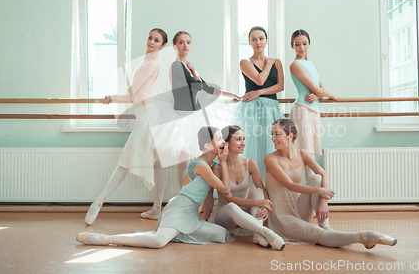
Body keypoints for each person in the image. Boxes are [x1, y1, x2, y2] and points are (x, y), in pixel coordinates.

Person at [76, 127, 281, 249]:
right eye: (219, 139)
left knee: (220, 235)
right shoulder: (200, 165)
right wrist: (225, 162)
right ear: (208, 146)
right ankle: (106, 239)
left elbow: (209, 197)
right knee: (158, 242)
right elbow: (225, 190)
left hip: (191, 213)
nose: (223, 143)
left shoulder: (212, 166)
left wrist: (204, 217)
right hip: (179, 208)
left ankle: (178, 232)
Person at [142, 31, 240, 219]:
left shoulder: (186, 66)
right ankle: (159, 206)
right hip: (179, 118)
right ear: (174, 46)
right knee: (162, 163)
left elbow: (205, 88)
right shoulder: (176, 65)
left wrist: (230, 94)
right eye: (181, 42)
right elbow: (195, 87)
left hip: (190, 116)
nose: (185, 45)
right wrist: (195, 74)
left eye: (188, 42)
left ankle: (185, 205)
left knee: (183, 164)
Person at [264, 119, 398, 248]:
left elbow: (324, 175)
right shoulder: (270, 159)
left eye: (277, 134)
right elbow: (290, 185)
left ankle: (326, 226)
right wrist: (319, 191)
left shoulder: (303, 154)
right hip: (281, 216)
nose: (273, 138)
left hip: (298, 209)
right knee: (314, 230)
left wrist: (324, 201)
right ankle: (365, 237)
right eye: (272, 134)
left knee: (317, 179)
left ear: (290, 136)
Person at [84, 28, 168, 225]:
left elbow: (132, 92)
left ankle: (100, 200)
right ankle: (156, 208)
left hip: (149, 115)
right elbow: (135, 94)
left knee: (129, 160)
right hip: (146, 113)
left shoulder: (151, 64)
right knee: (156, 162)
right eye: (150, 37)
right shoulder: (146, 62)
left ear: (162, 45)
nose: (151, 42)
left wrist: (113, 97)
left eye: (156, 40)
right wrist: (113, 98)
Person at [206, 125, 282, 249]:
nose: (243, 143)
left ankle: (257, 235)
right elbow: (229, 199)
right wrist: (257, 201)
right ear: (227, 143)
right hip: (225, 215)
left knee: (257, 191)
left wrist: (265, 205)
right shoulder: (217, 169)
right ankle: (263, 231)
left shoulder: (250, 164)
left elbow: (261, 190)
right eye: (238, 139)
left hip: (244, 211)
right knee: (232, 206)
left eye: (244, 139)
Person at [229, 26, 284, 179]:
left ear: (266, 40)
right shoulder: (245, 62)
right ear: (249, 43)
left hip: (272, 108)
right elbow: (260, 80)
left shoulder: (277, 62)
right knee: (252, 146)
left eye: (261, 38)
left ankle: (270, 186)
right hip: (252, 110)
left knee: (271, 144)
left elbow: (280, 86)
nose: (258, 42)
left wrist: (259, 93)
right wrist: (268, 65)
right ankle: (251, 188)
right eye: (253, 39)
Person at [289, 29, 339, 178]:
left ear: (309, 44)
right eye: (297, 44)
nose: (301, 47)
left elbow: (320, 90)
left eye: (304, 43)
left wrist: (319, 95)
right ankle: (311, 185)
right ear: (292, 46)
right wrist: (331, 95)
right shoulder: (295, 65)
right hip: (302, 110)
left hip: (315, 111)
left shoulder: (312, 63)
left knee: (311, 149)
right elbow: (318, 89)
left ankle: (314, 186)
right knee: (304, 150)